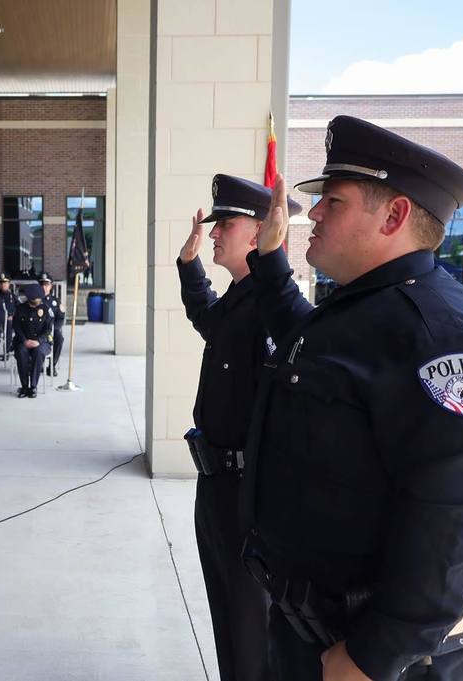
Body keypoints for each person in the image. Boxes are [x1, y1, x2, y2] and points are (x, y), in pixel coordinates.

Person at [241, 116, 463, 681]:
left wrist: (377, 654)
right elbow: (315, 350)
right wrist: (270, 264)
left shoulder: (442, 336)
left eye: (333, 202)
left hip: (382, 658)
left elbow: (455, 513)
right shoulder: (364, 310)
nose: (313, 213)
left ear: (393, 216)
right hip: (316, 632)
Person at [179, 175, 301, 681]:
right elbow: (207, 318)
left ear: (259, 234)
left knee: (251, 625)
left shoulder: (270, 307)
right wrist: (188, 268)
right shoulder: (238, 298)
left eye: (224, 224)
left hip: (248, 493)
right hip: (216, 485)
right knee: (227, 614)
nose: (212, 234)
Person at [12, 283, 52, 398]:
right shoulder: (20, 308)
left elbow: (48, 330)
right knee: (21, 352)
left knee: (38, 352)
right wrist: (24, 340)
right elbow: (16, 327)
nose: (34, 306)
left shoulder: (46, 309)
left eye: (36, 303)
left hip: (41, 342)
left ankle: (33, 386)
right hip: (23, 341)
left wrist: (39, 341)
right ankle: (24, 387)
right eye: (32, 303)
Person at [38, 272, 64, 375]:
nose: (44, 287)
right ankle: (37, 363)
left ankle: (52, 366)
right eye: (42, 285)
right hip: (38, 330)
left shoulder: (56, 302)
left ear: (51, 286)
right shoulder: (34, 300)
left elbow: (60, 319)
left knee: (59, 338)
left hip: (51, 330)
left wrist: (53, 329)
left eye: (46, 285)